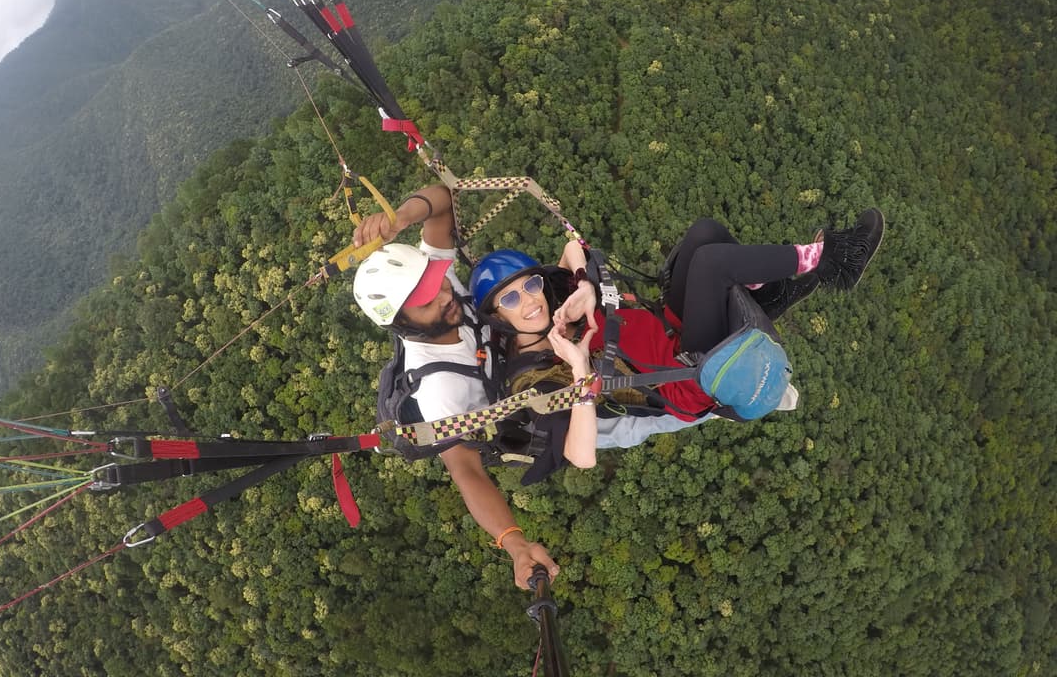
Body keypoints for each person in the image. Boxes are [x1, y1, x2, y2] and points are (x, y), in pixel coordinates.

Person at [350, 184, 695, 589]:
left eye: (438, 282)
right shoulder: (438, 389)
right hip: (564, 411)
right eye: (428, 300)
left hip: (550, 350)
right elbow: (466, 472)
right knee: (677, 402)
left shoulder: (441, 292)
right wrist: (514, 543)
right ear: (401, 323)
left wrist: (400, 219)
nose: (446, 294)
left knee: (662, 340)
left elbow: (441, 201)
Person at [470, 210, 885, 481]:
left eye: (530, 285)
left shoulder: (555, 305)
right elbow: (581, 456)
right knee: (711, 265)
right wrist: (580, 371)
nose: (529, 301)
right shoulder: (534, 379)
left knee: (706, 233)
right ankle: (836, 259)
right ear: (497, 316)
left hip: (665, 330)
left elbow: (572, 248)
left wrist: (585, 287)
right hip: (682, 378)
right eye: (511, 299)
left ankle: (770, 297)